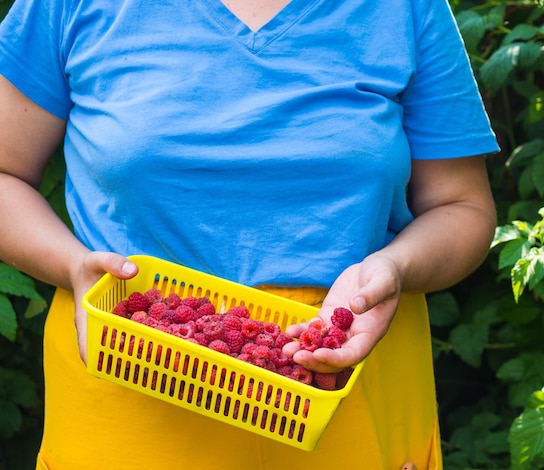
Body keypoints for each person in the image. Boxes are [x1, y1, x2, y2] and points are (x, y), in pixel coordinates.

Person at [0, 0, 500, 468]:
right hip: (133, 374)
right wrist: (71, 265)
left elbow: (462, 207)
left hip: (339, 377)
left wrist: (394, 266)